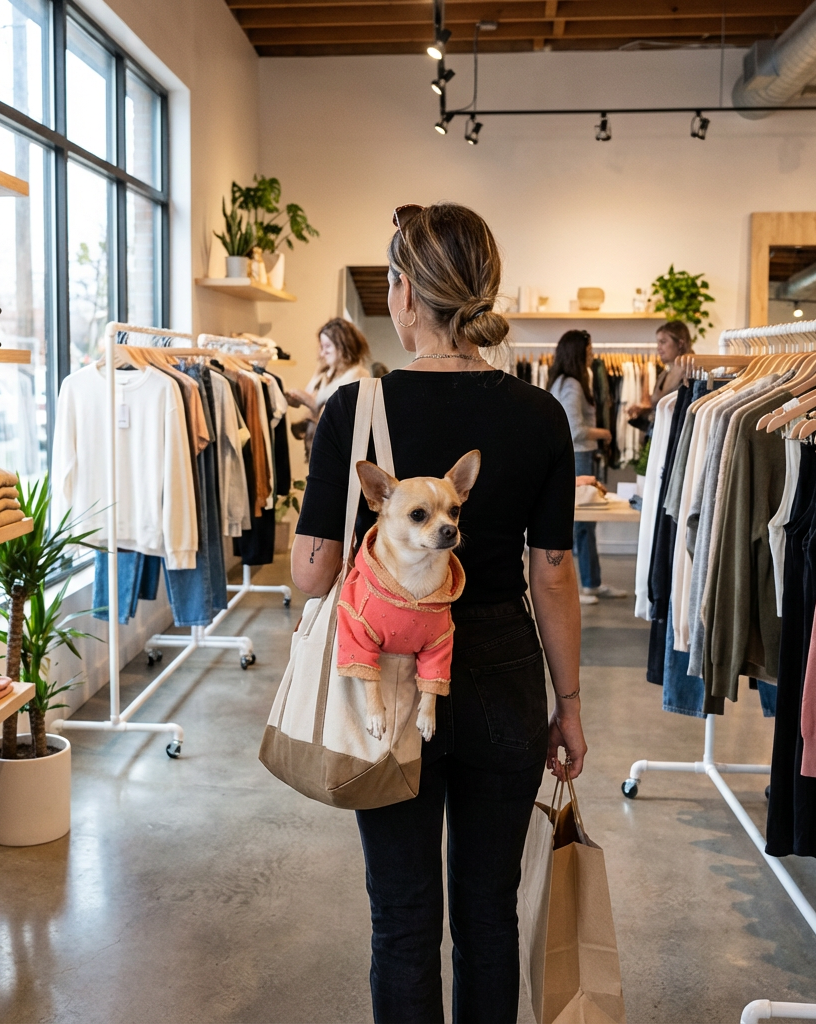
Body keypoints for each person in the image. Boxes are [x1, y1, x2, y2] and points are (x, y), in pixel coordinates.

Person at [292, 203, 586, 1024]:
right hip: (501, 668)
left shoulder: (355, 409)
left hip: (386, 663)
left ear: (404, 294)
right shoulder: (538, 414)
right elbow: (553, 573)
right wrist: (567, 703)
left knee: (403, 913)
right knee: (489, 912)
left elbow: (313, 569)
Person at [546, 330, 626, 606]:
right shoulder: (573, 385)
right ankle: (585, 586)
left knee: (583, 524)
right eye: (589, 351)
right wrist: (604, 433)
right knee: (581, 524)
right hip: (579, 455)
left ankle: (592, 583)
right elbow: (575, 429)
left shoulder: (561, 381)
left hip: (575, 456)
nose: (592, 356)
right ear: (577, 353)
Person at [287, 317, 371, 459]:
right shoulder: (326, 374)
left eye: (327, 347)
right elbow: (312, 397)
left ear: (343, 347)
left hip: (340, 454)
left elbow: (341, 419)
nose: (322, 353)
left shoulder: (357, 376)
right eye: (321, 347)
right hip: (322, 450)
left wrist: (309, 401)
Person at [626, 319, 694, 424]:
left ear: (680, 343)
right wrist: (644, 410)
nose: (659, 348)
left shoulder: (691, 373)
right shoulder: (665, 373)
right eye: (658, 343)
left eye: (663, 342)